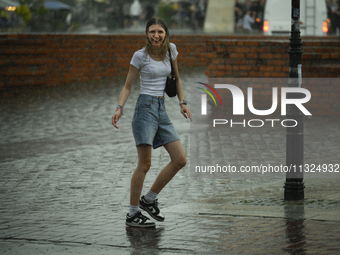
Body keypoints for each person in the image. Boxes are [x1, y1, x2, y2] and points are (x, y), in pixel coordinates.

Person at [112, 17, 192, 228]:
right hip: (144, 110)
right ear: (147, 34)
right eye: (152, 32)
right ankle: (132, 214)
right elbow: (127, 86)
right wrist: (119, 108)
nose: (156, 36)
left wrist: (183, 103)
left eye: (160, 32)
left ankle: (148, 200)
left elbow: (177, 77)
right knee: (145, 164)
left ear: (166, 34)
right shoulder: (140, 56)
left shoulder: (171, 50)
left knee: (180, 159)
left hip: (161, 109)